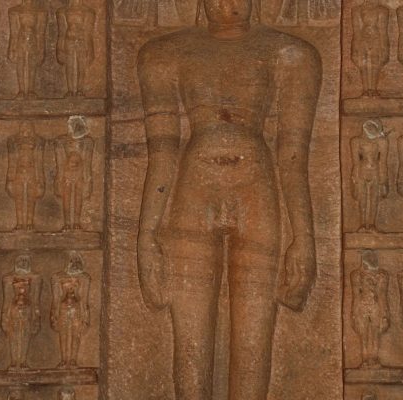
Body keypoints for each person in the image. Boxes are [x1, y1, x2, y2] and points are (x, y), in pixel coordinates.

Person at [136, 0, 321, 397]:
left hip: (255, 186)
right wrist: (146, 236)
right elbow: (162, 153)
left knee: (255, 339)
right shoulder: (163, 54)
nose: (227, 3)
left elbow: (293, 157)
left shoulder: (291, 54)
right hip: (193, 186)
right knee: (190, 340)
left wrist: (303, 238)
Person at [51, 252, 91, 369]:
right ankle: (64, 359)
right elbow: (56, 298)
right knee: (63, 335)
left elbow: (84, 300)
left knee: (75, 335)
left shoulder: (83, 278)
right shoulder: (59, 277)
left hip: (76, 309)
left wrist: (86, 317)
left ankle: (73, 359)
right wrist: (54, 314)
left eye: (77, 261)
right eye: (72, 261)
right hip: (63, 308)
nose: (75, 264)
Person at [2, 255, 42, 370]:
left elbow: (35, 303)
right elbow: (7, 302)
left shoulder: (33, 282)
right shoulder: (9, 281)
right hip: (14, 314)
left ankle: (23, 361)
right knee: (13, 338)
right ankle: (14, 361)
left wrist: (36, 318)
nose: (23, 264)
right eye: (20, 261)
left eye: (25, 261)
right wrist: (5, 318)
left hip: (26, 315)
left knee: (25, 339)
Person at [350, 250, 389, 367]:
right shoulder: (356, 275)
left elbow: (382, 295)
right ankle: (365, 360)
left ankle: (374, 359)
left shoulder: (381, 275)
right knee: (364, 335)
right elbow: (356, 296)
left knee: (375, 334)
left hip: (375, 306)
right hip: (363, 306)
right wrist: (354, 314)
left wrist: (384, 314)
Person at [55, 116, 94, 231]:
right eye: (72, 125)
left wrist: (88, 179)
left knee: (78, 197)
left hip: (79, 172)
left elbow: (87, 161)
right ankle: (67, 222)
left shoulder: (87, 142)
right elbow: (60, 160)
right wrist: (59, 178)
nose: (72, 128)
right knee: (66, 198)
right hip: (67, 172)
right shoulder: (63, 141)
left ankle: (77, 222)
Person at [350, 119, 389, 232]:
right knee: (362, 198)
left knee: (374, 198)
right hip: (362, 170)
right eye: (368, 127)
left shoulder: (381, 142)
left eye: (373, 127)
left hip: (375, 170)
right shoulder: (356, 141)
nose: (370, 129)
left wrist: (383, 176)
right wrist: (355, 176)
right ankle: (363, 223)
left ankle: (371, 224)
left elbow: (383, 161)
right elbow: (356, 162)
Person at [7, 121, 45, 231]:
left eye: (28, 126)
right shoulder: (14, 141)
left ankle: (29, 223)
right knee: (18, 199)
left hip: (31, 171)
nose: (26, 128)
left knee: (31, 199)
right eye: (24, 126)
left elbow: (39, 162)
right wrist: (10, 179)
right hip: (19, 171)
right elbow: (12, 161)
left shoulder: (37, 141)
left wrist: (40, 180)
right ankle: (19, 223)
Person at [8, 0, 47, 98]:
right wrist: (12, 48)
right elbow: (14, 32)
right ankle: (21, 90)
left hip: (33, 41)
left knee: (32, 65)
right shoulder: (15, 11)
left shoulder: (40, 12)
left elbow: (40, 32)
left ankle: (31, 90)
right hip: (20, 40)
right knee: (20, 64)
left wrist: (41, 49)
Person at [57, 0, 96, 97]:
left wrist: (90, 49)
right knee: (69, 65)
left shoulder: (88, 12)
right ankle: (70, 90)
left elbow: (88, 33)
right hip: (69, 40)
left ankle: (80, 90)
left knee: (81, 66)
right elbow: (61, 32)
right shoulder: (63, 11)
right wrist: (59, 48)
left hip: (81, 41)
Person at [351, 0, 390, 97]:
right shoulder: (357, 10)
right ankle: (365, 89)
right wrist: (355, 47)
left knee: (375, 62)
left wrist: (384, 47)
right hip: (363, 39)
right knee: (362, 63)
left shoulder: (382, 11)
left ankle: (373, 89)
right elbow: (356, 31)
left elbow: (383, 31)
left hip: (376, 38)